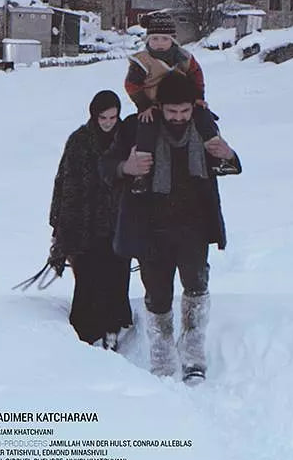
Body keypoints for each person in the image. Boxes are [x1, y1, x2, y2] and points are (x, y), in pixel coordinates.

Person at [101, 70, 241, 383]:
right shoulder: (137, 128)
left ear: (194, 107)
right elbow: (106, 166)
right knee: (158, 296)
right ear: (160, 107)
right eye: (172, 111)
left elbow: (226, 163)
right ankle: (162, 360)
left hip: (195, 227)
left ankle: (193, 356)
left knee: (196, 289)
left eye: (184, 111)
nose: (178, 117)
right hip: (150, 229)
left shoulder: (204, 126)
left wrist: (229, 155)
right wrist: (127, 166)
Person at [48, 90, 132, 350]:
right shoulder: (79, 141)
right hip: (85, 221)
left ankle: (113, 330)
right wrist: (59, 225)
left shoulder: (126, 137)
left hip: (119, 220)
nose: (108, 123)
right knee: (87, 278)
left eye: (113, 117)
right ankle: (83, 339)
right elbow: (64, 183)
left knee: (117, 276)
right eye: (103, 118)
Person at [125, 12, 227, 193]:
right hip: (154, 104)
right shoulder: (143, 61)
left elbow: (196, 76)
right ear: (148, 40)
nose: (159, 43)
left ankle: (217, 157)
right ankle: (142, 174)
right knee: (147, 128)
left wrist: (198, 97)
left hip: (183, 101)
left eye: (164, 39)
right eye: (154, 38)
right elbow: (132, 85)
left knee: (204, 118)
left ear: (173, 39)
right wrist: (144, 105)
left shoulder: (184, 57)